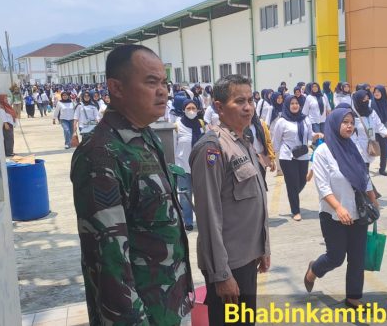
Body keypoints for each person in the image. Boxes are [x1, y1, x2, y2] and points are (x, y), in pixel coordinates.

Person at [71, 44, 194, 325]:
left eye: (164, 82)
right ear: (117, 87)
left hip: (170, 302)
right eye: (151, 82)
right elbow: (108, 259)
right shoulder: (101, 154)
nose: (163, 91)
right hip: (141, 315)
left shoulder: (145, 137)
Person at [190, 74, 270, 326]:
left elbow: (253, 204)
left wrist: (263, 247)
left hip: (247, 259)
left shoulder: (243, 142)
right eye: (239, 101)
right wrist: (221, 274)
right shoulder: (212, 149)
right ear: (219, 107)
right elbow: (208, 216)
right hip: (228, 265)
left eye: (250, 100)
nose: (248, 107)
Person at [303, 107, 379, 308]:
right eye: (345, 122)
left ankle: (353, 297)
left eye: (352, 122)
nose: (349, 126)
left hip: (358, 212)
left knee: (357, 257)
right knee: (336, 257)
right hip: (332, 214)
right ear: (335, 123)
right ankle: (314, 270)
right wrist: (338, 207)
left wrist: (373, 198)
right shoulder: (322, 151)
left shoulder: (353, 147)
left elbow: (364, 176)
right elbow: (323, 186)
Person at [272, 95, 319, 221]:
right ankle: (295, 211)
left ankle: (292, 195)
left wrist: (316, 135)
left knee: (302, 181)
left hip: (302, 154)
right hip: (287, 156)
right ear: (287, 105)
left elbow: (310, 135)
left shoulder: (305, 119)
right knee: (292, 183)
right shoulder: (282, 121)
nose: (294, 105)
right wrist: (273, 159)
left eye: (296, 103)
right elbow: (276, 141)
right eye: (292, 103)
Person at [175, 98, 205, 232]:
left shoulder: (201, 124)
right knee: (185, 196)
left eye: (194, 108)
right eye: (188, 109)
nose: (191, 111)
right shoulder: (177, 125)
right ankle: (187, 221)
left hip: (199, 166)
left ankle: (203, 220)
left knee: (201, 195)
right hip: (183, 167)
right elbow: (173, 145)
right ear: (183, 110)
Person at [351, 90, 387, 172]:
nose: (366, 101)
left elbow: (378, 125)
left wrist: (386, 133)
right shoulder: (353, 116)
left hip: (370, 144)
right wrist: (356, 148)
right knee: (363, 169)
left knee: (366, 167)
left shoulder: (371, 112)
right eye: (364, 99)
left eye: (367, 99)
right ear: (358, 100)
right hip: (359, 146)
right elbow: (351, 134)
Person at [370, 85, 387, 176]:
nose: (376, 93)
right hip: (373, 130)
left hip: (384, 130)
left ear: (383, 93)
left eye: (378, 91)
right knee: (370, 149)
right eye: (375, 91)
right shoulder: (370, 102)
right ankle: (366, 168)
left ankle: (382, 169)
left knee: (384, 150)